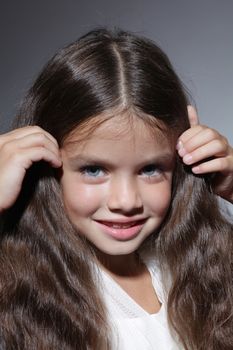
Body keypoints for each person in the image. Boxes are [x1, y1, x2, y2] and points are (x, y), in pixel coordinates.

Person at [0, 28, 232, 350]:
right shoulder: (14, 280)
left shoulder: (200, 262)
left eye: (151, 169)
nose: (126, 202)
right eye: (93, 170)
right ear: (42, 162)